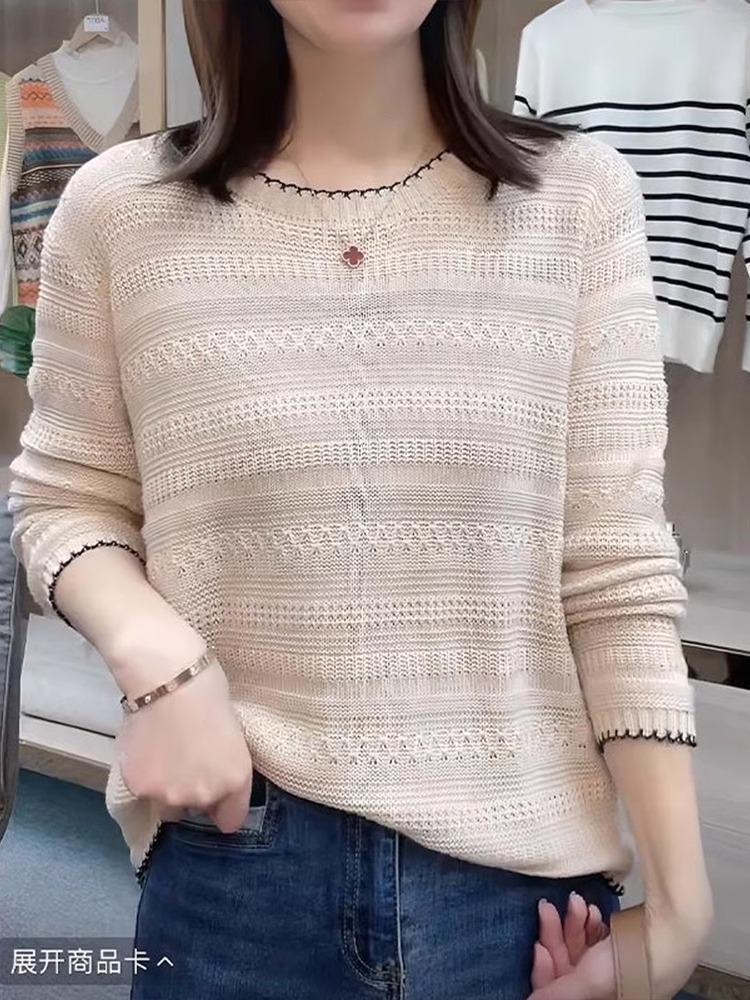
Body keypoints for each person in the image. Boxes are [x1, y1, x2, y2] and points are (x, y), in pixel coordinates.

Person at [9, 1, 712, 998]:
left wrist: (681, 907)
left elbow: (615, 563)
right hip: (236, 862)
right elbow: (64, 498)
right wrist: (158, 660)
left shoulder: (577, 197)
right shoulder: (120, 208)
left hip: (522, 894)